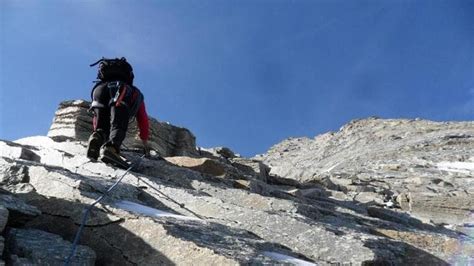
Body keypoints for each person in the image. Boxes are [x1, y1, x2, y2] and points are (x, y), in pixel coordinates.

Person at [86, 57, 150, 166]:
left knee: (101, 125)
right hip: (121, 91)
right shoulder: (135, 93)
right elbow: (143, 119)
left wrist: (96, 130)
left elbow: (96, 116)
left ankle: (97, 137)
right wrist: (145, 142)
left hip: (98, 90)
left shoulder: (102, 83)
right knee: (119, 122)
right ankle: (111, 149)